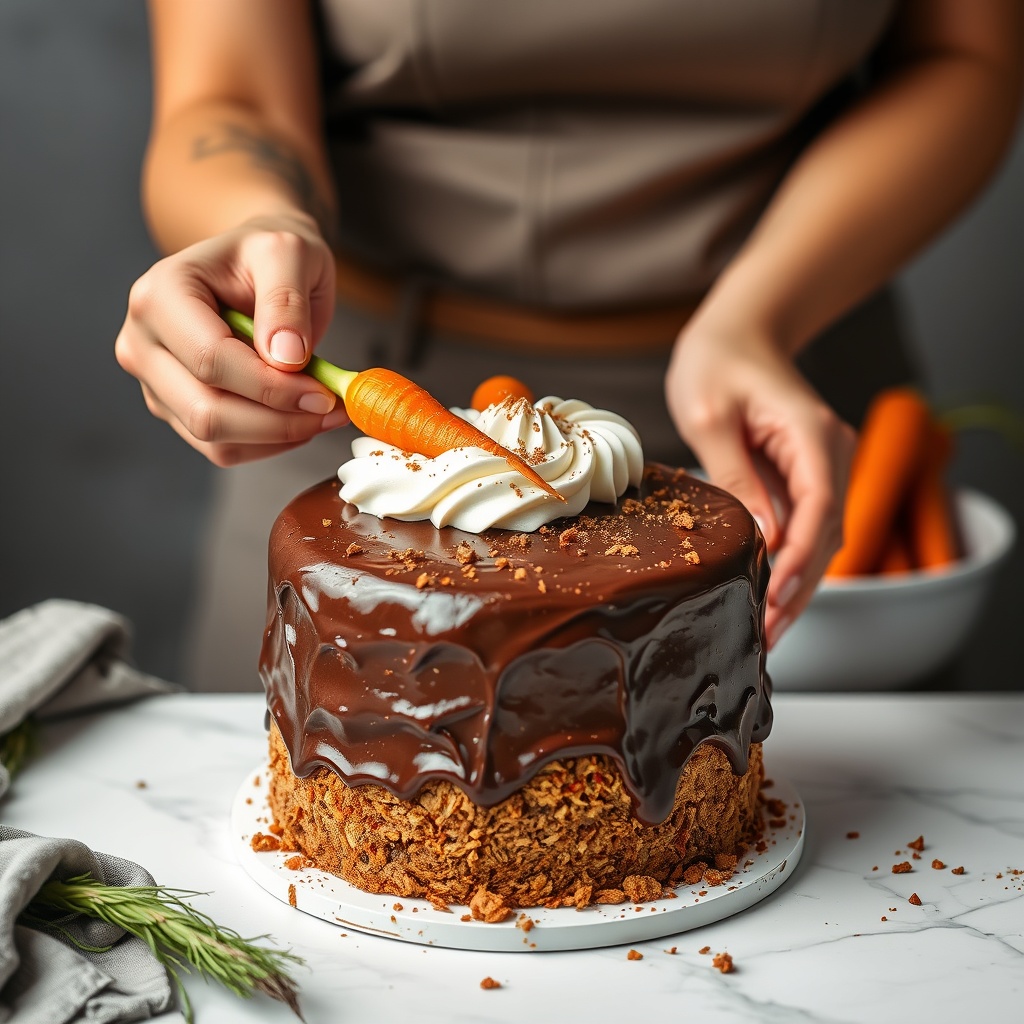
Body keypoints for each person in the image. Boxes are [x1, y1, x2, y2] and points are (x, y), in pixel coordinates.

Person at [115, 0, 1022, 692]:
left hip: (782, 400)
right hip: (362, 450)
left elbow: (965, 52)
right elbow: (225, 95)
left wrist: (761, 312)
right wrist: (255, 226)